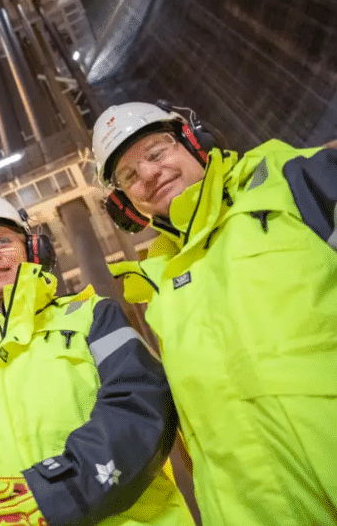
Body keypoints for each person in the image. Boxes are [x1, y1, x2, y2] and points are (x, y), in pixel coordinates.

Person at [92, 101, 337, 524]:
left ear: (194, 141)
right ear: (125, 205)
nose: (149, 174)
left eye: (156, 152)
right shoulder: (159, 283)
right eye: (130, 176)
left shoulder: (294, 179)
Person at [0, 193, 194, 526]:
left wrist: (54, 490)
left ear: (33, 251)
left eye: (2, 242)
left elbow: (139, 407)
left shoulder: (91, 317)